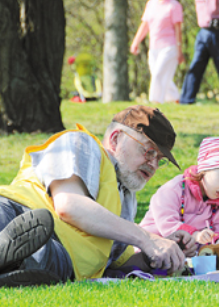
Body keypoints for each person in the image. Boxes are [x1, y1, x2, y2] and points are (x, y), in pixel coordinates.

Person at [0, 105, 196, 287]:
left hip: (61, 260)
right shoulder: (82, 143)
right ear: (115, 138)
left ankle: (15, 263)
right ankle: (14, 258)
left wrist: (158, 251)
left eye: (160, 160)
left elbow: (119, 263)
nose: (153, 165)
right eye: (149, 151)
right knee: (30, 238)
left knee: (46, 260)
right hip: (18, 213)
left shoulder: (127, 198)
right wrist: (147, 239)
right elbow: (69, 205)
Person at [140, 136, 219, 246]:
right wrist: (195, 235)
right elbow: (167, 223)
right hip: (153, 245)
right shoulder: (173, 190)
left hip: (186, 250)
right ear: (205, 169)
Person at [130, 0, 185, 104]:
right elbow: (145, 25)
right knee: (160, 76)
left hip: (169, 46)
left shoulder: (174, 5)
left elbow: (178, 29)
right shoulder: (151, 4)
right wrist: (136, 42)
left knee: (158, 75)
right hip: (154, 47)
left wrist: (179, 50)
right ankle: (177, 99)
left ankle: (155, 102)